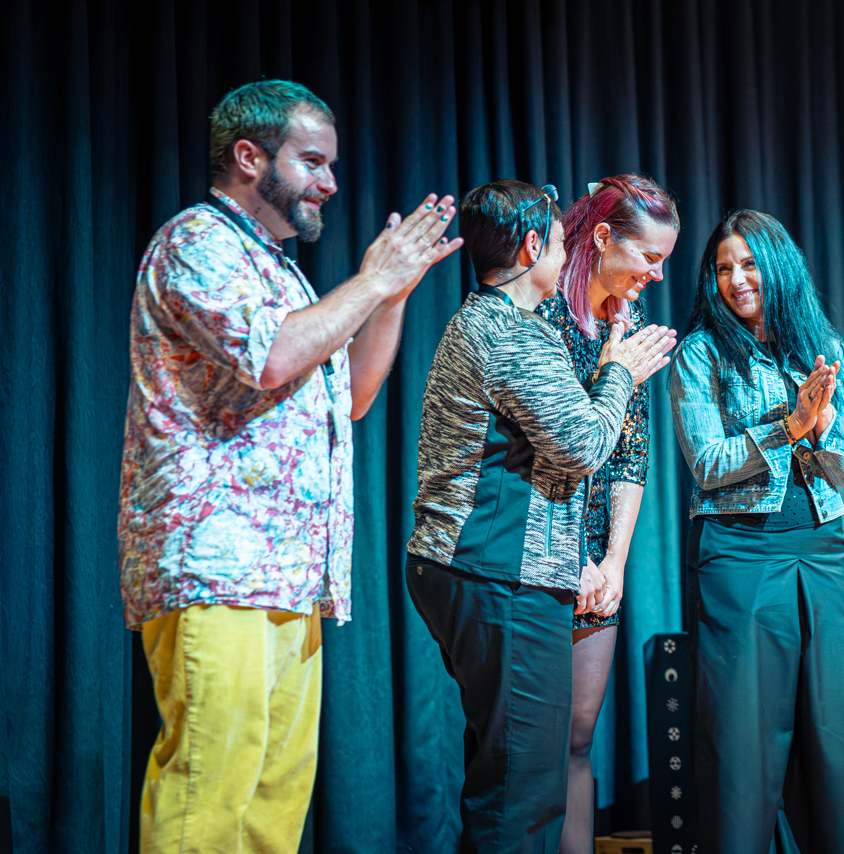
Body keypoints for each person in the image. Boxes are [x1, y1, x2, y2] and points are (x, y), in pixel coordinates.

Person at [117, 80, 462, 853]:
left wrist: (394, 295)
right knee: (208, 792)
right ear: (250, 157)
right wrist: (369, 280)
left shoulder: (285, 274)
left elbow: (357, 398)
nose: (330, 183)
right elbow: (269, 359)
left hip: (291, 575)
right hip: (216, 566)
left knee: (273, 807)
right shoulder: (196, 243)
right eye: (312, 161)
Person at [405, 180, 677, 853]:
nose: (567, 252)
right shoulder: (512, 333)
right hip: (501, 574)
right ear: (533, 247)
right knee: (521, 797)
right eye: (560, 241)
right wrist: (618, 371)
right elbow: (585, 445)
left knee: (511, 778)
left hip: (492, 571)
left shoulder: (502, 324)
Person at [670, 209, 844, 854]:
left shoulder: (823, 348)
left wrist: (818, 429)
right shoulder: (700, 353)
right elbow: (707, 463)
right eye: (723, 268)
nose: (737, 280)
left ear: (778, 267)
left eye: (749, 264)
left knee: (838, 734)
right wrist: (784, 429)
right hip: (738, 553)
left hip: (821, 552)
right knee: (742, 742)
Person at [532, 174, 680, 854]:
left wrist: (614, 561)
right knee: (523, 744)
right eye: (647, 258)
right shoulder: (542, 315)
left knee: (579, 740)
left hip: (596, 562)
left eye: (663, 262)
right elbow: (542, 451)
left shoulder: (631, 326)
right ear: (600, 239)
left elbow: (631, 452)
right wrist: (575, 559)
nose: (655, 274)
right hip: (533, 555)